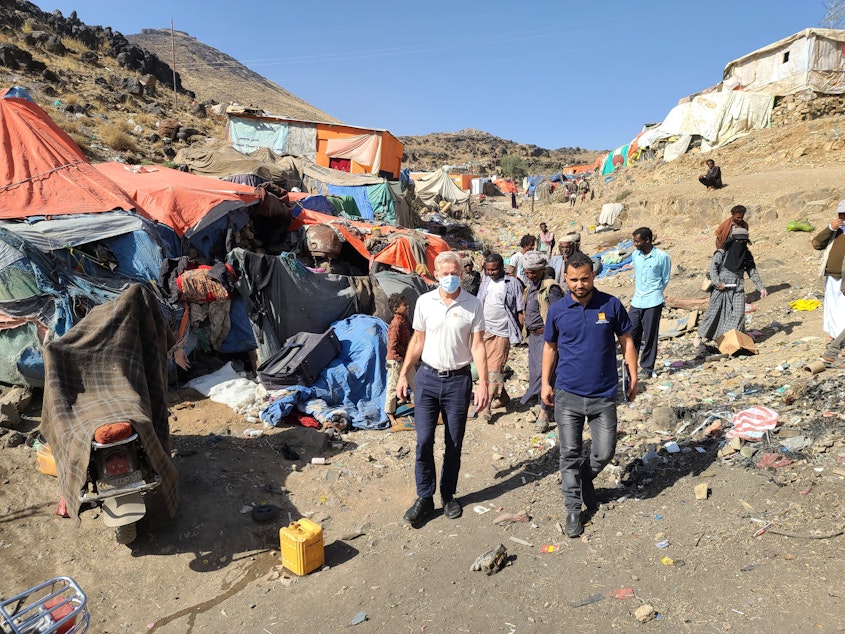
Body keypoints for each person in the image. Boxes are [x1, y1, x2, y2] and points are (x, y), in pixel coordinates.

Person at [541, 251, 638, 538]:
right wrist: (545, 383)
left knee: (605, 451)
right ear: (566, 279)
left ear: (593, 275)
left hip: (604, 393)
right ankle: (573, 509)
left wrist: (633, 375)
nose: (580, 285)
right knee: (569, 454)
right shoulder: (557, 310)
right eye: (574, 280)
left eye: (584, 279)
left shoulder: (610, 304)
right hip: (567, 393)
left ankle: (585, 477)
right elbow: (550, 348)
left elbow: (626, 341)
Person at [397, 251, 489, 526]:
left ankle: (448, 495)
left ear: (462, 273)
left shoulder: (473, 304)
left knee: (454, 442)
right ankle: (425, 497)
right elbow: (417, 341)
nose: (450, 277)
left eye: (455, 272)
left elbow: (478, 346)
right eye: (445, 273)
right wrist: (403, 375)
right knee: (424, 441)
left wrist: (483, 383)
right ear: (435, 274)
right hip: (426, 379)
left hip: (458, 381)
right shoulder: (425, 302)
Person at [694, 227, 767, 346]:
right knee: (714, 313)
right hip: (721, 289)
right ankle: (700, 335)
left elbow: (752, 271)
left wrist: (761, 287)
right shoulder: (722, 253)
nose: (741, 244)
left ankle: (730, 340)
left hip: (738, 289)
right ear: (733, 240)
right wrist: (718, 283)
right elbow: (713, 269)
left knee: (738, 314)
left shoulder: (746, 255)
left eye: (744, 242)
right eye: (739, 241)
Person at [476, 253, 525, 422]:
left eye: (494, 269)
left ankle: (487, 405)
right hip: (484, 329)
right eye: (488, 269)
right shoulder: (485, 280)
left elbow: (519, 310)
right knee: (486, 367)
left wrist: (518, 333)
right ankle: (503, 397)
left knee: (495, 370)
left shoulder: (512, 283)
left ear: (502, 267)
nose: (491, 272)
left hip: (503, 332)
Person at [519, 250, 564, 432]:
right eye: (528, 272)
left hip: (546, 337)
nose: (530, 275)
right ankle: (543, 404)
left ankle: (544, 412)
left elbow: (559, 314)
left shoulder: (550, 288)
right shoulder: (530, 287)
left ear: (542, 269)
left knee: (543, 373)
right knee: (537, 373)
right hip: (534, 338)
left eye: (533, 272)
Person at [630, 228, 671, 380]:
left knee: (650, 336)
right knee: (631, 332)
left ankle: (647, 367)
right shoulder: (635, 255)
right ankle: (630, 364)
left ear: (647, 240)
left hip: (653, 301)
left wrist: (656, 293)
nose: (635, 244)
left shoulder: (662, 257)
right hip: (637, 300)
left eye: (637, 241)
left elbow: (665, 279)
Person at [811, 199, 845, 340]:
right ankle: (834, 336)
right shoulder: (835, 231)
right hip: (831, 276)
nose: (842, 218)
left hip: (843, 277)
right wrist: (830, 228)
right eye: (841, 214)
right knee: (832, 308)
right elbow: (817, 244)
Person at [385, 293, 414, 427]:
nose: (407, 306)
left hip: (405, 358)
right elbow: (393, 345)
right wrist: (403, 355)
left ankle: (422, 406)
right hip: (396, 360)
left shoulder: (404, 320)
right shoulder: (396, 323)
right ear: (396, 309)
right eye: (404, 305)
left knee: (415, 381)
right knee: (392, 387)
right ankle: (390, 414)